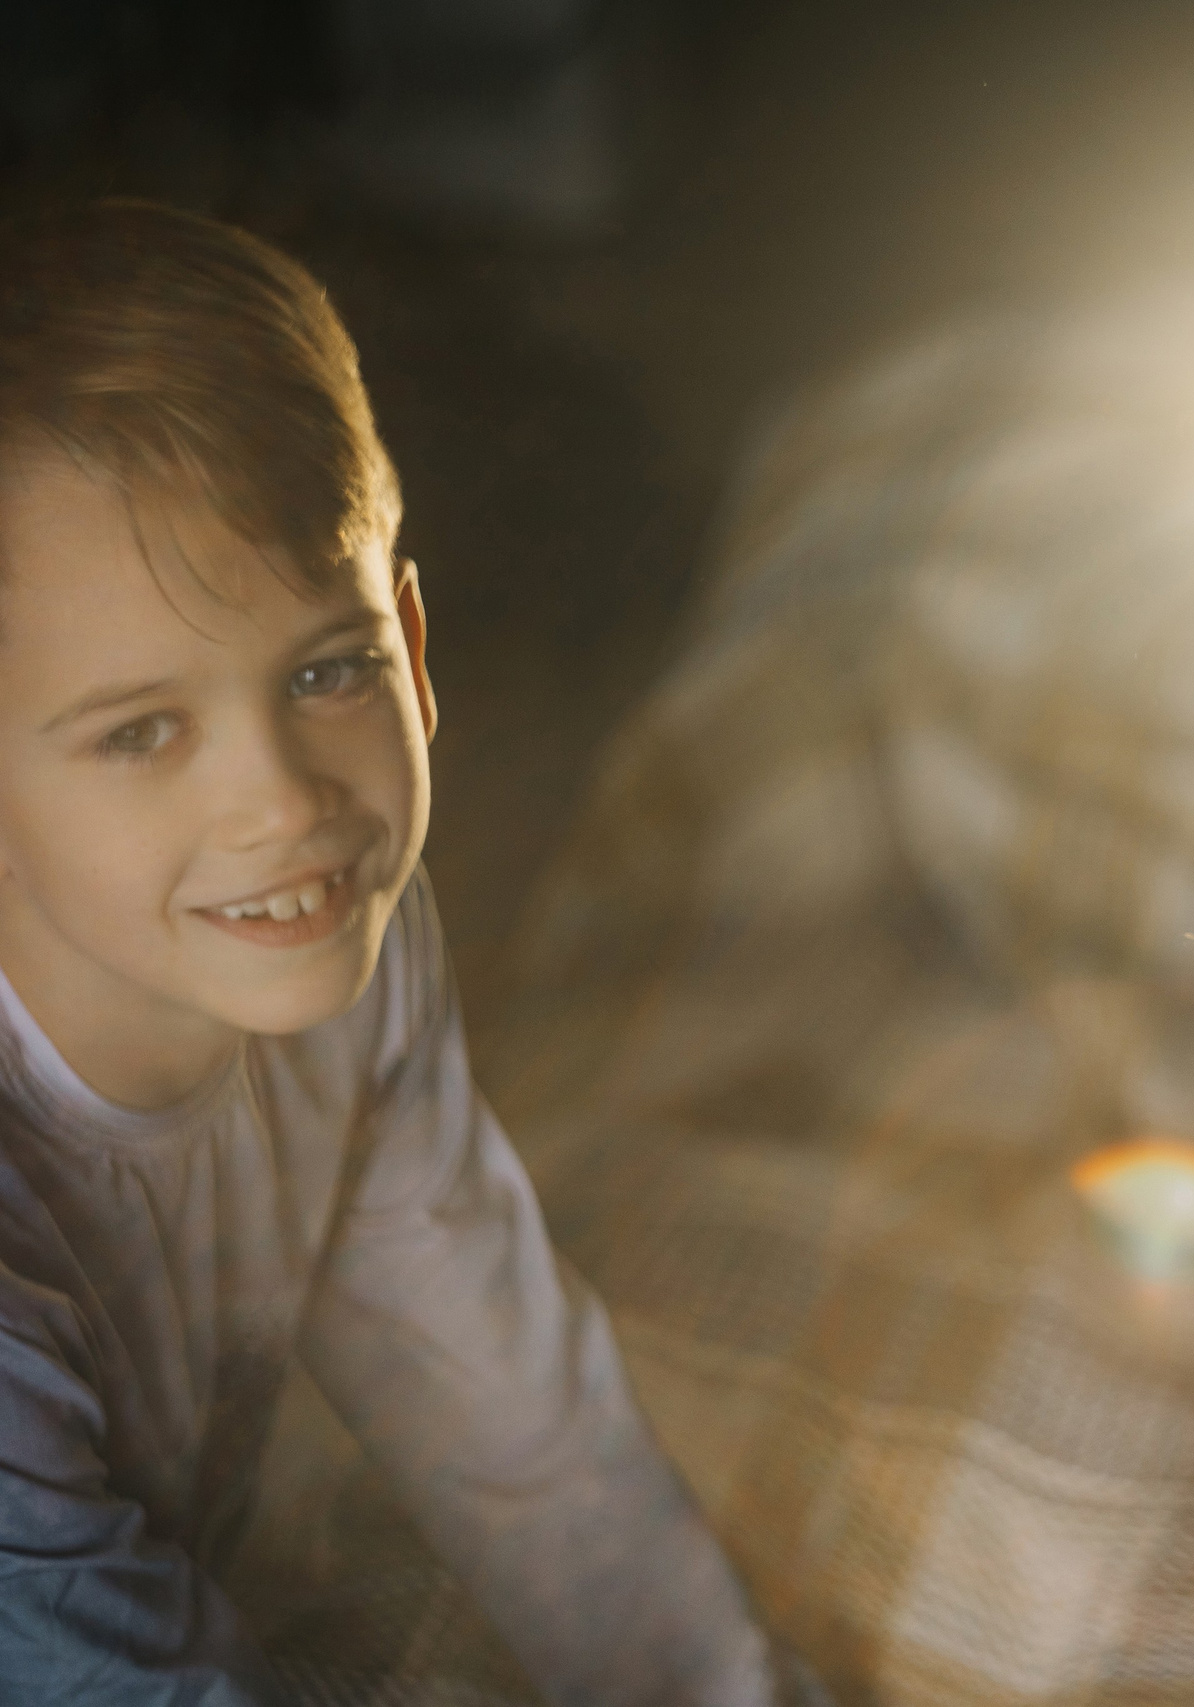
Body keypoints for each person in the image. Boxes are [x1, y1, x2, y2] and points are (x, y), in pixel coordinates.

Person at [0, 203, 826, 1703]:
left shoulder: (337, 940)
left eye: (327, 669)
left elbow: (513, 1416)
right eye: (141, 730)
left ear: (419, 653)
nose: (284, 804)